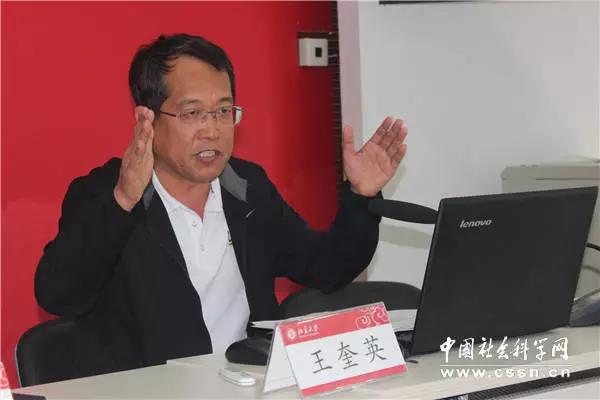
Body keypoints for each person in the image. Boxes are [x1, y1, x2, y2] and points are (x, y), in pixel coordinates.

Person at [34, 33, 408, 378]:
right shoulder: (106, 193)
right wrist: (123, 202)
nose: (212, 130)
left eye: (223, 112)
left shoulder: (245, 188)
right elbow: (58, 295)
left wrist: (361, 198)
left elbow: (327, 267)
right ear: (147, 119)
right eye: (192, 113)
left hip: (250, 384)